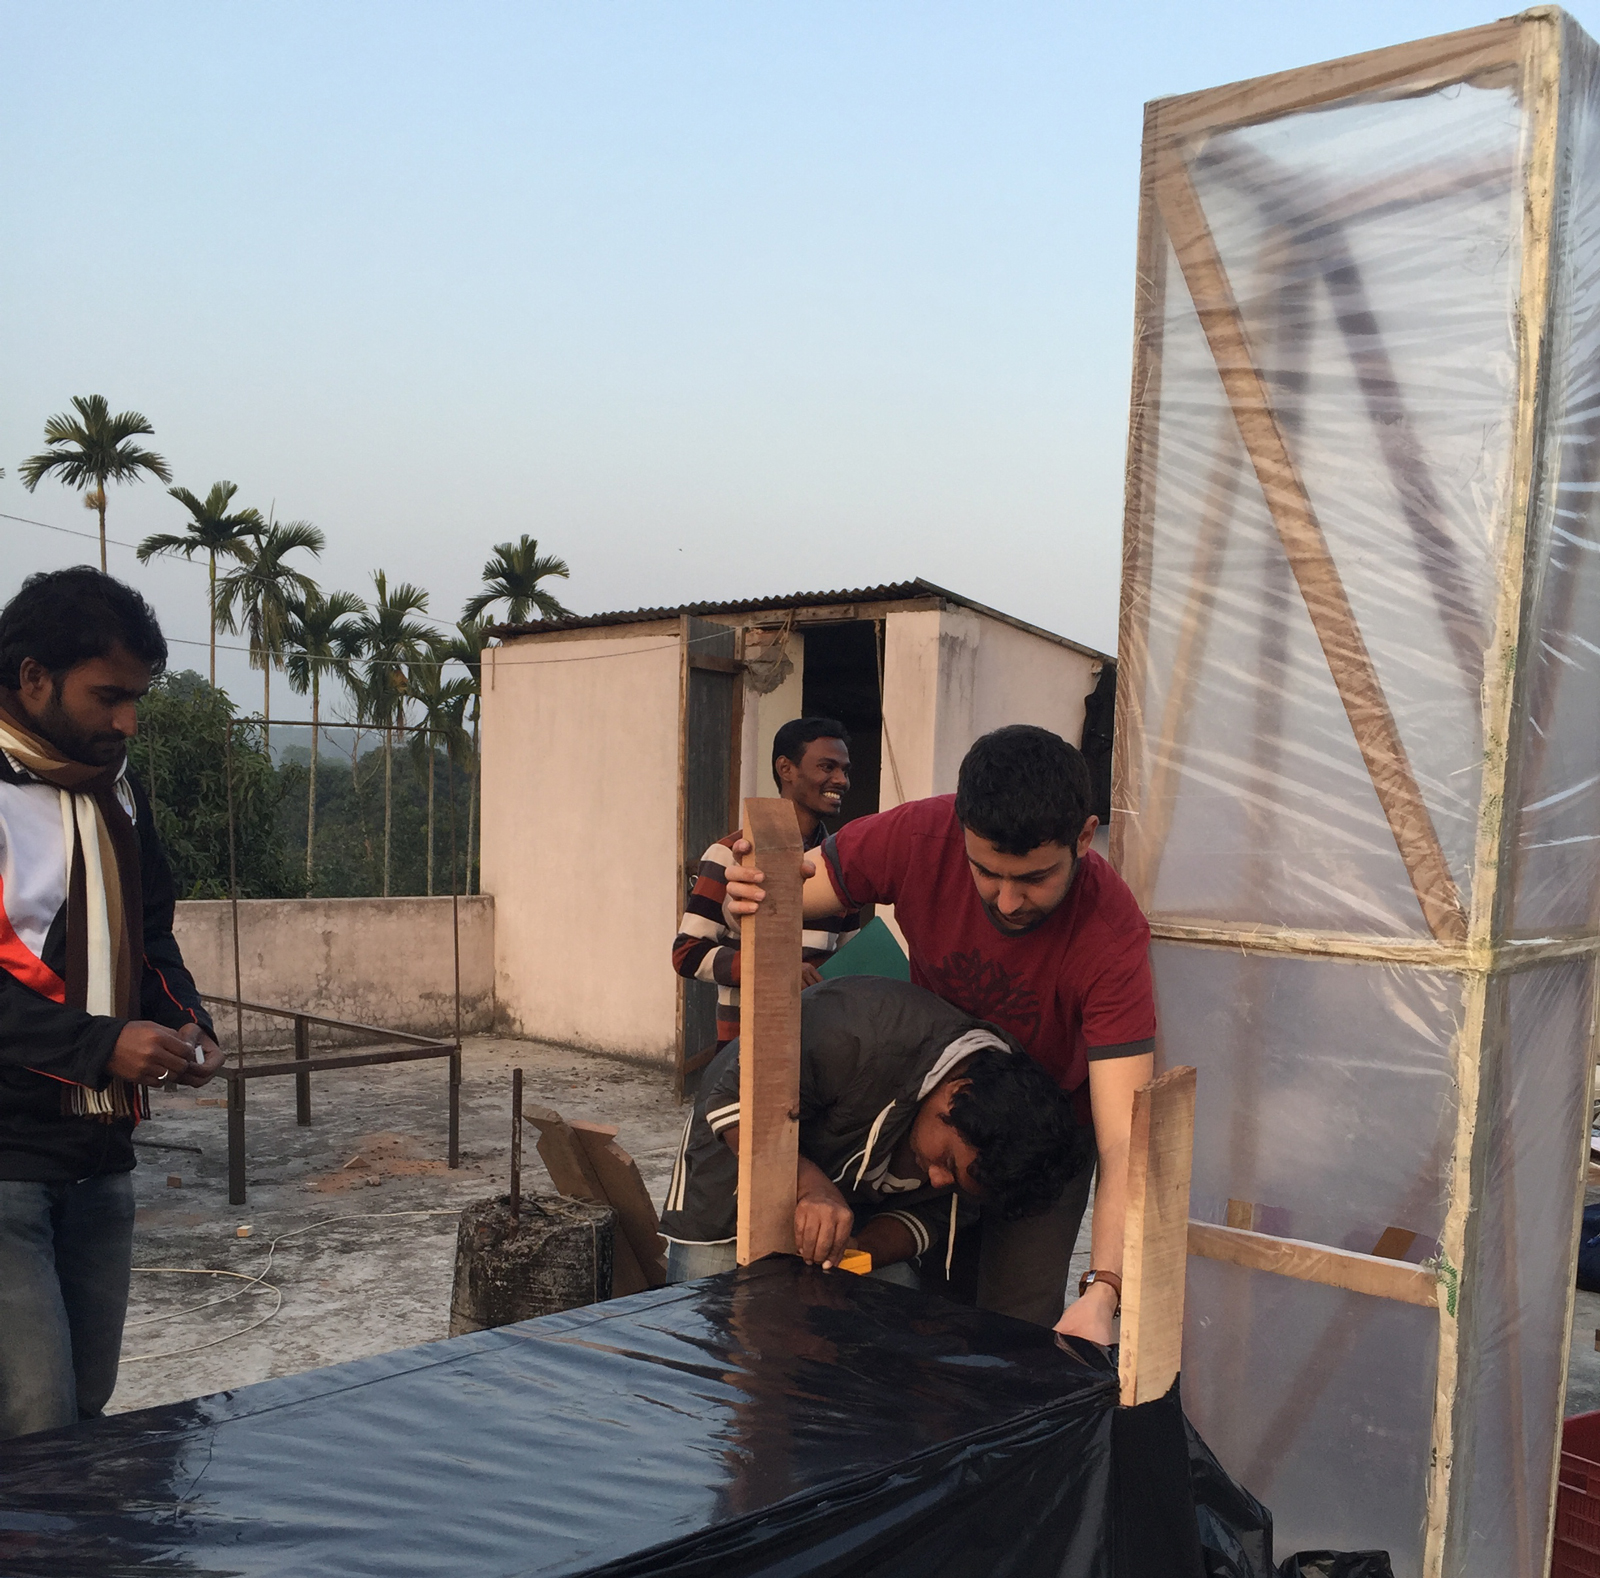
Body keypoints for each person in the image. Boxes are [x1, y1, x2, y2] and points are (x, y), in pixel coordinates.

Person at [723, 724, 1155, 1342]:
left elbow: (1122, 1144)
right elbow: (778, 890)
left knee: (1015, 1324)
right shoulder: (918, 835)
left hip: (1041, 1147)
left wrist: (1104, 1289)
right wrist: (744, 897)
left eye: (1034, 879)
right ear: (960, 831)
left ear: (1084, 838)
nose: (1007, 902)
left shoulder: (1111, 936)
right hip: (932, 1113)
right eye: (986, 873)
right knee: (926, 1304)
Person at [0, 568, 223, 1440]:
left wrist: (185, 1020)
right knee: (36, 1427)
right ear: (31, 678)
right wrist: (102, 1045)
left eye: (136, 699)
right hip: (7, 1166)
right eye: (109, 697)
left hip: (101, 1161)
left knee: (87, 1415)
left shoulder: (117, 792)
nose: (127, 721)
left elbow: (151, 933)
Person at [659, 975, 1085, 1283]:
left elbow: (933, 1217)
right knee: (707, 1338)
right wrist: (810, 1188)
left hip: (852, 1215)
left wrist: (856, 1253)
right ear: (957, 1090)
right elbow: (734, 1104)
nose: (937, 1179)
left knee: (884, 1317)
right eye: (946, 1162)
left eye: (953, 1179)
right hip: (728, 1187)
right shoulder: (854, 1031)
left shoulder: (1001, 1136)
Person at [671, 717, 860, 1055]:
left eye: (845, 770)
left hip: (820, 1048)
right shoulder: (730, 854)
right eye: (827, 767)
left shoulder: (842, 864)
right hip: (745, 1050)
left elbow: (850, 960)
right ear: (786, 769)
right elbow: (687, 954)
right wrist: (776, 968)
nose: (841, 780)